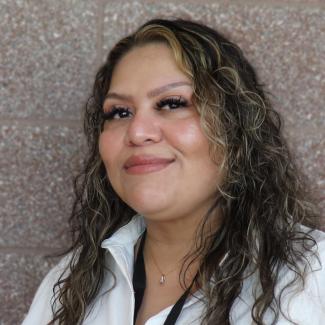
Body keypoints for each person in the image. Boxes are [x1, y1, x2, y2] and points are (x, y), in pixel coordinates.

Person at [22, 18, 325, 325]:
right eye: (120, 112)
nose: (138, 132)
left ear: (236, 127)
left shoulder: (312, 277)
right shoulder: (70, 282)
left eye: (171, 103)